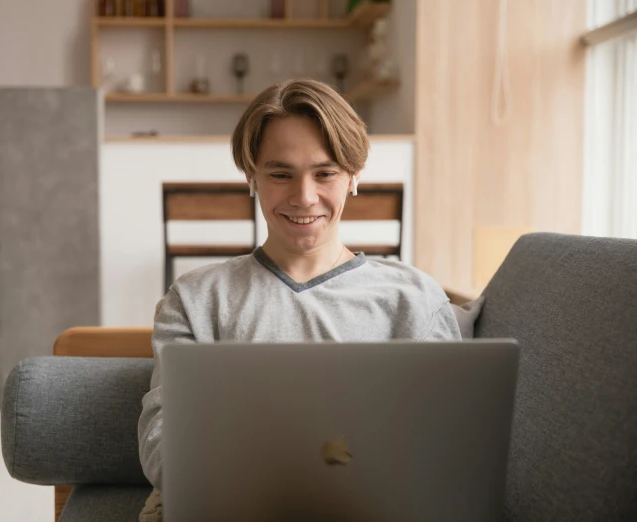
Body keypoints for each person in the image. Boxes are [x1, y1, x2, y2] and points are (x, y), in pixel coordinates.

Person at [137, 79, 461, 517]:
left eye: (325, 173)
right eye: (280, 174)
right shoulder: (196, 301)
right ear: (252, 177)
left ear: (354, 177)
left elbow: (449, 447)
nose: (304, 197)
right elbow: (163, 443)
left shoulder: (415, 301)